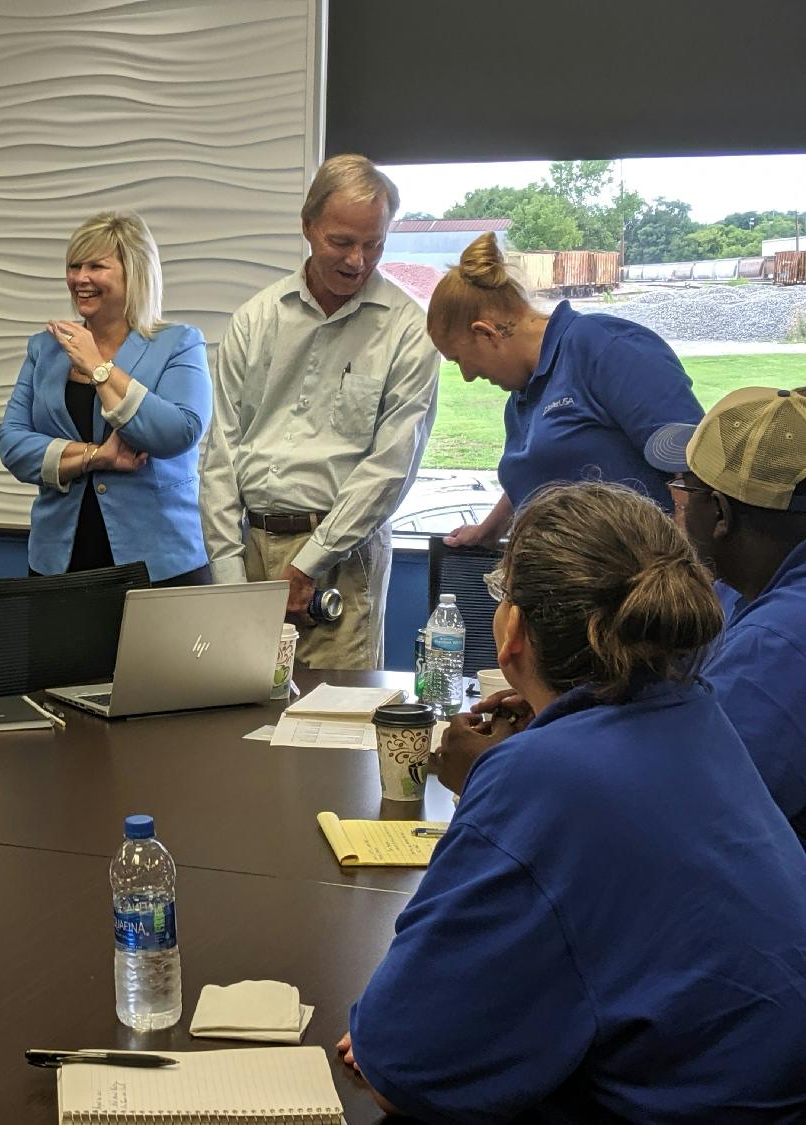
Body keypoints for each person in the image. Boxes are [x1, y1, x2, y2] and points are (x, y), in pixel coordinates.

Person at [340, 482, 806, 1121]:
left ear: (512, 633)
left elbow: (402, 1068)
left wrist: (504, 773)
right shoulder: (698, 714)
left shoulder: (541, 776)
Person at [198, 154, 438, 668]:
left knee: (334, 726)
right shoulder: (256, 320)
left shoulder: (407, 330)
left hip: (340, 559)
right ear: (308, 226)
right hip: (252, 550)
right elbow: (221, 453)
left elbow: (390, 467)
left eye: (374, 244)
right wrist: (228, 577)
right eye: (342, 242)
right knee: (242, 717)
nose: (358, 260)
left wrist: (308, 566)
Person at [431, 232, 703, 549]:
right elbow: (544, 473)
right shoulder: (522, 398)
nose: (466, 375)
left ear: (486, 334)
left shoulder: (603, 346)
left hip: (636, 579)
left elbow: (696, 467)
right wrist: (489, 530)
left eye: (460, 359)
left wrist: (679, 568)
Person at [0, 212, 212, 584]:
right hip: (60, 560)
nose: (80, 278)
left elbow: (178, 432)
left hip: (161, 561)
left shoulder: (178, 343)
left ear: (135, 272)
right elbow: (13, 445)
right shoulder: (45, 349)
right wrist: (97, 458)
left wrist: (97, 365)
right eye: (74, 265)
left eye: (96, 266)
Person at [644, 386, 806, 846]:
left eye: (684, 487)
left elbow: (677, 815)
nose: (678, 505)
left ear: (719, 512)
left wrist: (509, 767)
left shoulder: (779, 643)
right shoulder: (746, 591)